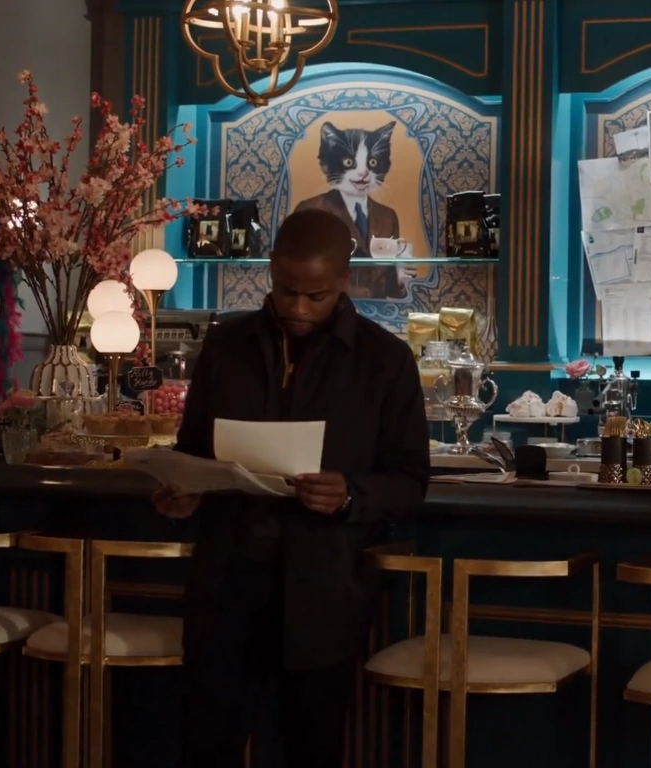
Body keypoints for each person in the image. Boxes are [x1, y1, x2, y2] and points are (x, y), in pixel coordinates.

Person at [152, 208, 431, 767]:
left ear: (344, 280)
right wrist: (182, 491)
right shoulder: (226, 345)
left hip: (323, 591)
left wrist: (349, 494)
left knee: (311, 751)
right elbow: (193, 449)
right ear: (272, 273)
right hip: (225, 586)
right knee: (205, 748)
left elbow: (410, 481)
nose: (299, 308)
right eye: (287, 291)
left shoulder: (384, 360)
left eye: (316, 296)